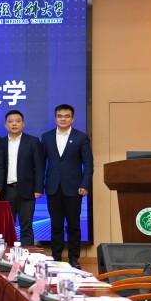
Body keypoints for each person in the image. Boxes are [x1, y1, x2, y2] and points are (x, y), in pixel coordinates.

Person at [40, 104, 93, 269]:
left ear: (73, 119)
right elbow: (41, 164)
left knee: (73, 225)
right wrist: (39, 186)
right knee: (55, 225)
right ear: (55, 118)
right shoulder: (47, 137)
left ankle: (73, 259)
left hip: (74, 188)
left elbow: (89, 164)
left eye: (67, 116)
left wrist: (85, 184)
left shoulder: (81, 137)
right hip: (53, 187)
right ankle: (56, 257)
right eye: (60, 116)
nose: (63, 119)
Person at [0, 110, 44, 246]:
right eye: (10, 121)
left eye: (17, 121)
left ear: (23, 124)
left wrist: (38, 188)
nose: (14, 124)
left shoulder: (32, 141)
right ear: (5, 125)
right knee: (6, 227)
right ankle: (6, 255)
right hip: (6, 190)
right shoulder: (0, 143)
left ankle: (27, 255)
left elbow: (39, 166)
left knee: (26, 226)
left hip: (27, 190)